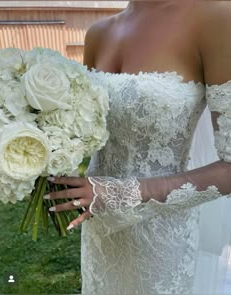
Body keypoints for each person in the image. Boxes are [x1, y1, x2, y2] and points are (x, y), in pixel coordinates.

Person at [44, 1, 231, 294]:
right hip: (101, 230)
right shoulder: (98, 33)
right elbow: (88, 126)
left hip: (160, 233)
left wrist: (119, 194)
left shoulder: (216, 17)